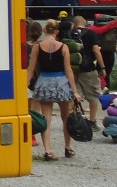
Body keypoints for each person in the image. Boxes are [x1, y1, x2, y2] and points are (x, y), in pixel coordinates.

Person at [27, 18, 82, 161]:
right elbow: (68, 70)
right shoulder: (64, 47)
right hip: (61, 83)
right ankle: (68, 147)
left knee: (46, 118)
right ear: (57, 32)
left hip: (44, 81)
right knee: (66, 117)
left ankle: (48, 150)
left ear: (45, 31)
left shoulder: (37, 47)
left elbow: (31, 69)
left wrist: (24, 86)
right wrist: (75, 91)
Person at [70, 15, 105, 132]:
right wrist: (102, 67)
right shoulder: (91, 34)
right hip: (88, 68)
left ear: (74, 23)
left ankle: (75, 121)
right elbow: (96, 51)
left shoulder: (69, 34)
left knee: (75, 95)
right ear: (85, 23)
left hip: (72, 70)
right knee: (93, 96)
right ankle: (92, 122)